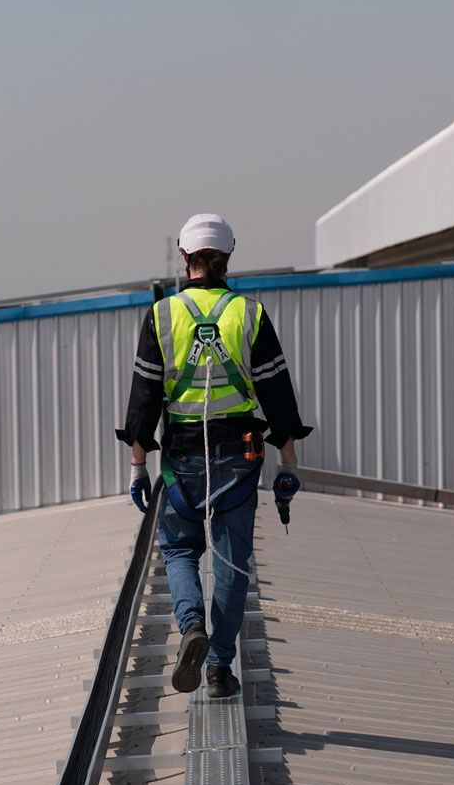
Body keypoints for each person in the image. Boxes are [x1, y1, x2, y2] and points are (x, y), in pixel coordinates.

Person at [117, 213, 311, 699]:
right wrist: (288, 463)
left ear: (185, 257)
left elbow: (143, 401)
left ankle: (191, 630)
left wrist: (138, 467)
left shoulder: (162, 315)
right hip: (239, 457)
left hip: (181, 459)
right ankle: (220, 669)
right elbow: (277, 394)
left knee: (180, 550)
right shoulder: (249, 314)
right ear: (228, 256)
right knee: (231, 562)